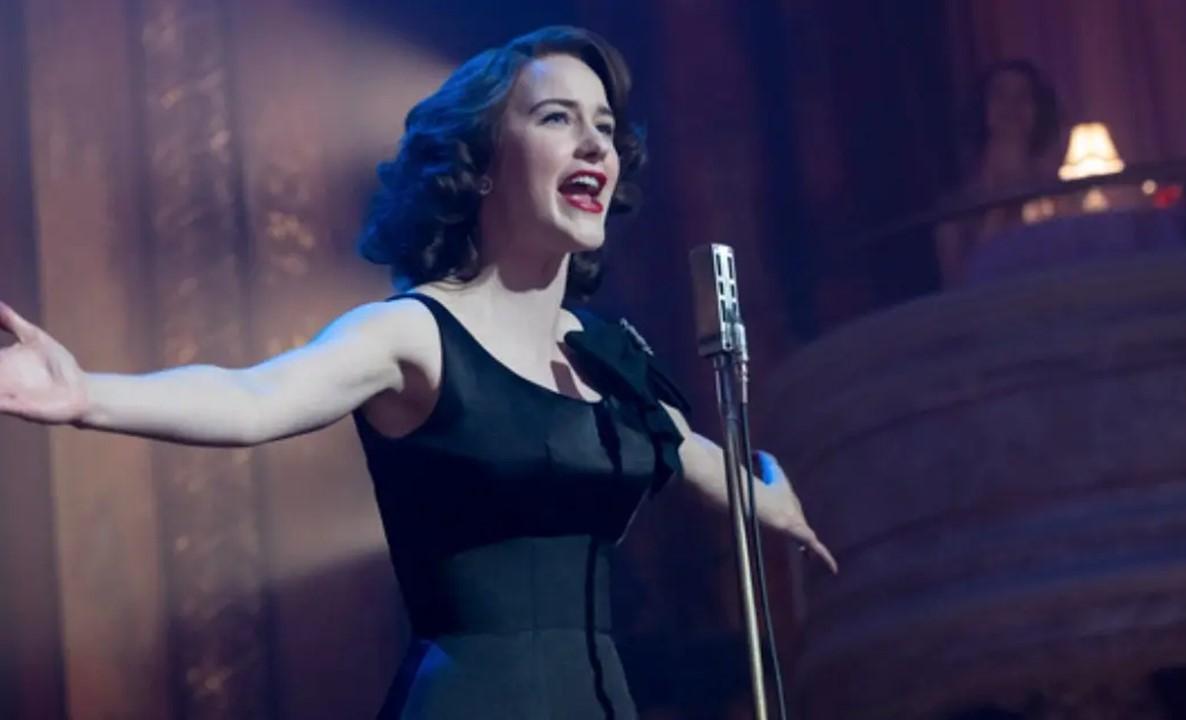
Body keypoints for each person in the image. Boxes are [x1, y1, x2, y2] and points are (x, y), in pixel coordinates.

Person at [0, 26, 835, 719]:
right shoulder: (413, 333)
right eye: (557, 118)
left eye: (607, 128)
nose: (594, 145)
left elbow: (691, 454)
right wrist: (85, 397)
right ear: (482, 159)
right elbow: (254, 395)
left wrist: (775, 496)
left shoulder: (611, 356)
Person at [935, 60, 1062, 286]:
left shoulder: (1058, 195)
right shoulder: (954, 209)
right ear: (983, 109)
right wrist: (999, 204)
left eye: (1024, 96)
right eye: (1000, 96)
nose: (1012, 106)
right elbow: (960, 287)